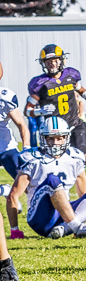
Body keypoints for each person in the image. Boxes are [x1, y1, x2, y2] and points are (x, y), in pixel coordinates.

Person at [24, 44, 86, 200]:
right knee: (57, 163)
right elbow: (27, 110)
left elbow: (80, 89)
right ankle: (55, 192)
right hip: (55, 132)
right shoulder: (40, 84)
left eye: (54, 60)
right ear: (43, 63)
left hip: (75, 123)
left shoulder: (70, 75)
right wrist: (39, 111)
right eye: (48, 61)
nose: (51, 64)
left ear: (61, 60)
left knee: (84, 156)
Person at [6, 117, 86, 239]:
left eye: (59, 138)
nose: (55, 143)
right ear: (43, 138)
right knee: (52, 180)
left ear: (66, 138)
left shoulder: (75, 157)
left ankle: (68, 228)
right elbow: (13, 196)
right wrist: (14, 231)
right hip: (40, 218)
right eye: (51, 138)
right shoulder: (33, 159)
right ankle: (76, 226)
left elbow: (83, 193)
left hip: (63, 217)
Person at [0, 86, 31, 239]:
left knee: (28, 186)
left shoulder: (4, 97)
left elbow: (21, 125)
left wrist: (26, 149)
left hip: (7, 149)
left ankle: (45, 216)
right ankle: (4, 191)